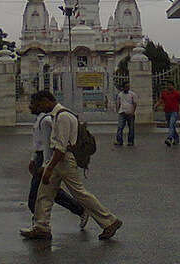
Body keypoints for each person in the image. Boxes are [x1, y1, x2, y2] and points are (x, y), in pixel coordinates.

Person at [20, 91, 122, 241]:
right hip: (59, 158)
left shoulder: (62, 117)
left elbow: (61, 148)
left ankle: (110, 221)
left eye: (39, 104)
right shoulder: (57, 115)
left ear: (46, 100)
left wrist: (48, 168)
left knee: (80, 193)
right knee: (44, 194)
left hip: (63, 160)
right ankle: (41, 227)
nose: (38, 108)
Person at [26, 92, 89, 229]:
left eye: (33, 104)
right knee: (49, 192)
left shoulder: (48, 120)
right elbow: (38, 141)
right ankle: (40, 224)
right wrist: (33, 158)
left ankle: (40, 224)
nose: (30, 107)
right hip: (40, 157)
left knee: (38, 195)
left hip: (46, 158)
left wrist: (46, 164)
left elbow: (50, 144)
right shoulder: (40, 120)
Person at [154, 82, 180, 146]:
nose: (169, 86)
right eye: (168, 85)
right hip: (167, 112)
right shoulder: (164, 93)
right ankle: (176, 138)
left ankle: (169, 138)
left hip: (174, 112)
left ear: (173, 86)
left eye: (170, 85)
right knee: (171, 126)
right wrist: (156, 105)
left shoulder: (177, 93)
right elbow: (161, 100)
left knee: (171, 124)